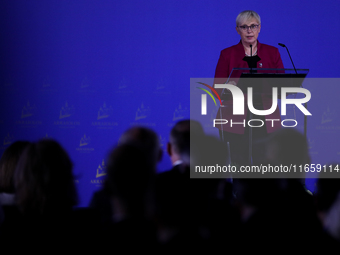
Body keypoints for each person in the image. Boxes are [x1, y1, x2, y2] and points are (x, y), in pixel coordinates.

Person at [214, 10, 284, 165]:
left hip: (265, 117)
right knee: (240, 165)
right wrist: (233, 84)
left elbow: (282, 84)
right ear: (237, 30)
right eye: (244, 27)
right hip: (236, 118)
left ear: (260, 28)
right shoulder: (227, 54)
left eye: (253, 26)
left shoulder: (272, 52)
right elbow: (218, 88)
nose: (249, 30)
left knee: (266, 165)